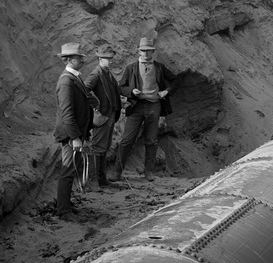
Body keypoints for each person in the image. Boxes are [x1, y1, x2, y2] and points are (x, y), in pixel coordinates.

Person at [112, 37, 178, 182]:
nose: (146, 53)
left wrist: (166, 92)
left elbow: (174, 80)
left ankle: (149, 172)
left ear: (152, 52)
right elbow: (121, 87)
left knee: (151, 140)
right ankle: (117, 172)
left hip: (154, 105)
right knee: (126, 140)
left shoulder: (159, 67)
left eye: (148, 51)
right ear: (139, 52)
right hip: (136, 107)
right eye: (143, 51)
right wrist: (131, 91)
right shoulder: (131, 68)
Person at [51, 42, 100, 220]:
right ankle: (63, 211)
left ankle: (66, 205)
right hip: (71, 135)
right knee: (67, 170)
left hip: (76, 134)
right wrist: (75, 138)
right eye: (79, 58)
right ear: (70, 59)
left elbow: (83, 100)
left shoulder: (74, 77)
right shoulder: (66, 81)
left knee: (71, 169)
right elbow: (67, 113)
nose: (82, 60)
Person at [84, 45, 124, 190]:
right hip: (103, 116)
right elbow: (83, 90)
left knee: (104, 147)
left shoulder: (107, 73)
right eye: (108, 59)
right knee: (97, 148)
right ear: (100, 59)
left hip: (110, 115)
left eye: (111, 58)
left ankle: (102, 179)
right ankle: (94, 181)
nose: (111, 61)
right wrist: (96, 105)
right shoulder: (96, 74)